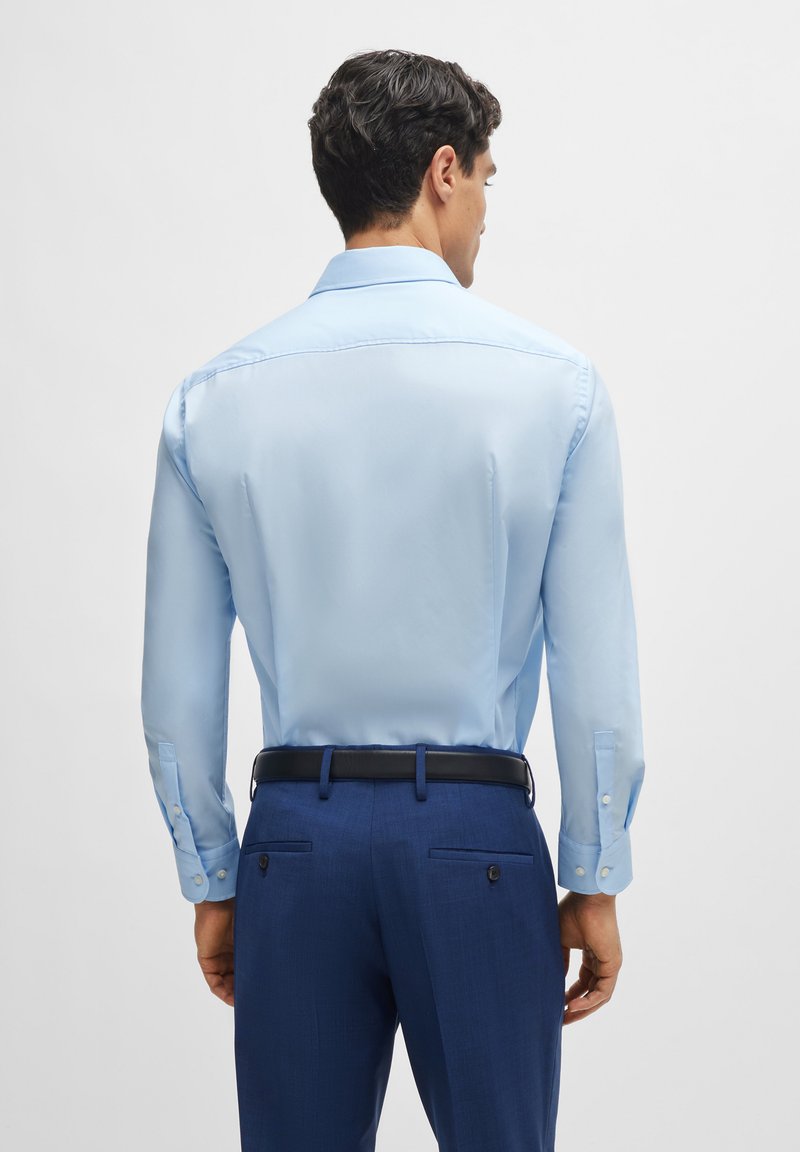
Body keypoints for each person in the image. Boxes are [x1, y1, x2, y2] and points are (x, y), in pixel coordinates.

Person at [141, 47, 646, 1152]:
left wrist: (212, 875)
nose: (485, 211)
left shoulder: (212, 401)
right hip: (475, 839)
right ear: (442, 172)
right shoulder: (554, 389)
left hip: (294, 842)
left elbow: (177, 690)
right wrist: (594, 873)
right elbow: (595, 669)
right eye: (486, 180)